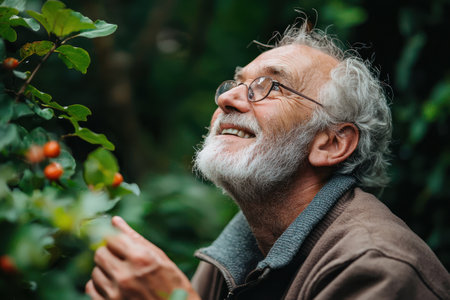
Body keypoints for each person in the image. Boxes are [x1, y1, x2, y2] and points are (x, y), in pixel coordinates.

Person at [85, 20, 450, 300]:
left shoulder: (377, 266)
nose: (227, 100)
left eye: (271, 87)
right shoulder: (240, 248)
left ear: (332, 143)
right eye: (235, 84)